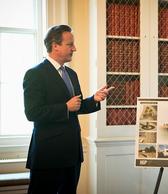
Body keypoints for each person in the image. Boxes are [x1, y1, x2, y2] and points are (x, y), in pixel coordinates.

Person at [23, 25, 111, 194]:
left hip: (72, 154)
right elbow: (32, 112)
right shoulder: (34, 74)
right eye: (70, 44)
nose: (74, 48)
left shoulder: (71, 74)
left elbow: (76, 107)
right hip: (48, 156)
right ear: (55, 45)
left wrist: (94, 99)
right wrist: (65, 107)